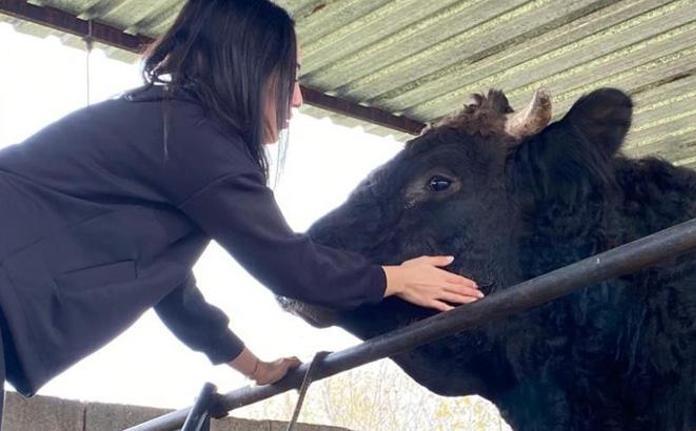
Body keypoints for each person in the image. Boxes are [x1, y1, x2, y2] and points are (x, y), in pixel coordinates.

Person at [0, 0, 482, 423]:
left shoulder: (170, 126)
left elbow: (170, 289)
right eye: (290, 77)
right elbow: (292, 267)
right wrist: (395, 278)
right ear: (250, 69)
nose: (297, 98)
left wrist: (255, 368)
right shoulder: (196, 137)